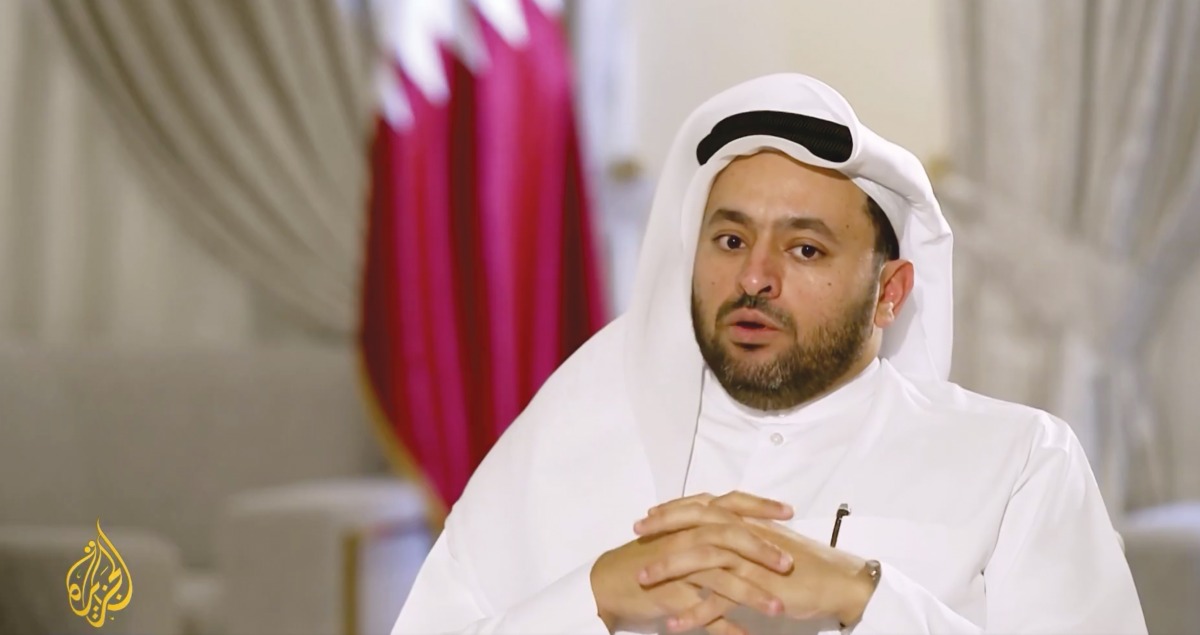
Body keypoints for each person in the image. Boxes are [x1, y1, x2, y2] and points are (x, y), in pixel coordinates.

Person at [390, 74, 1147, 635]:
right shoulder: (572, 435)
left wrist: (863, 595)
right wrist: (595, 597)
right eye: (730, 240)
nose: (754, 277)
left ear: (890, 293)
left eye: (805, 248)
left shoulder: (1018, 462)